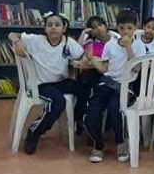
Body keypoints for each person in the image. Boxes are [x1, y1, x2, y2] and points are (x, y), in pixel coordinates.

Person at [11, 13, 82, 154]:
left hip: (62, 81)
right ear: (44, 28)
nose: (53, 28)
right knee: (58, 102)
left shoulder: (68, 42)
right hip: (42, 84)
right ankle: (35, 131)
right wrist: (17, 42)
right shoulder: (36, 40)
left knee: (84, 88)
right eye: (49, 25)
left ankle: (81, 125)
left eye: (57, 25)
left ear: (64, 27)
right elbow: (13, 34)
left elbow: (81, 55)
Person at [84, 11, 136, 164]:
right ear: (117, 28)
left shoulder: (138, 45)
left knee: (115, 109)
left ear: (135, 28)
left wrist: (128, 48)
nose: (125, 32)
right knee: (91, 112)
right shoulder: (110, 45)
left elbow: (137, 68)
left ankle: (121, 142)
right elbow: (104, 69)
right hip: (107, 82)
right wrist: (92, 58)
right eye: (121, 28)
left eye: (129, 28)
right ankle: (98, 145)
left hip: (126, 85)